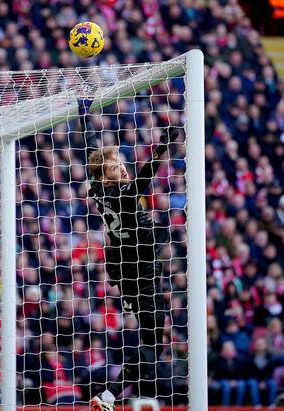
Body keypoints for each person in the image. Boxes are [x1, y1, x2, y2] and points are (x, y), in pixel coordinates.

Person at [77, 100, 180, 411]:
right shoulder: (121, 192)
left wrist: (85, 118)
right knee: (153, 341)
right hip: (142, 268)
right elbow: (143, 178)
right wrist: (161, 148)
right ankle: (109, 395)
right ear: (107, 176)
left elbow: (91, 154)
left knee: (153, 339)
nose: (121, 167)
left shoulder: (97, 189)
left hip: (124, 268)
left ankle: (109, 396)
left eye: (121, 163)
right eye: (115, 167)